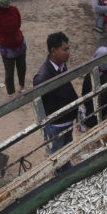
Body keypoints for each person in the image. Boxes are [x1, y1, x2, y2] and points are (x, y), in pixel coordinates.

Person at [33, 32, 78, 168]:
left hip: (67, 118)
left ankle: (66, 168)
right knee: (58, 153)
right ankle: (59, 173)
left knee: (68, 147)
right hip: (57, 123)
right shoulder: (42, 77)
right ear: (53, 51)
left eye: (68, 49)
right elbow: (40, 103)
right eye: (65, 50)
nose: (68, 53)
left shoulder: (62, 65)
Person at [81, 46, 107, 143]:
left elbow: (84, 96)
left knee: (93, 147)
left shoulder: (88, 76)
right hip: (106, 122)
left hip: (91, 120)